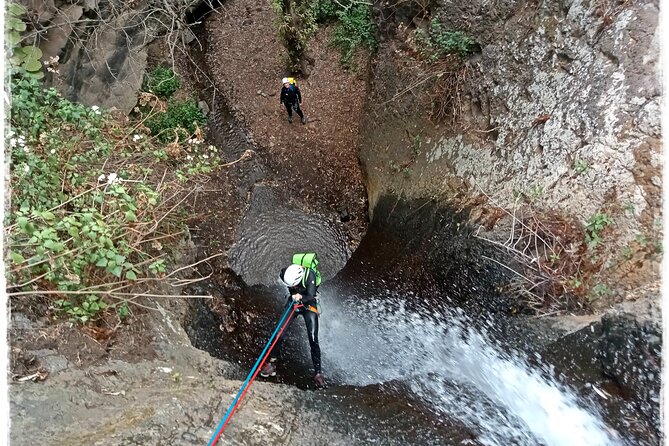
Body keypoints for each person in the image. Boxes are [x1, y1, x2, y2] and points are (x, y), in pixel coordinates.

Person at [260, 263, 326, 388]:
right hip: (293, 302)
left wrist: (301, 296)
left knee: (313, 338)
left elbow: (311, 295)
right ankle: (272, 363)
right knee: (279, 333)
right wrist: (293, 296)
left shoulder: (309, 275)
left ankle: (318, 373)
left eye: (294, 285)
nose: (294, 287)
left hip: (308, 304)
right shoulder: (284, 273)